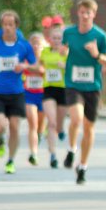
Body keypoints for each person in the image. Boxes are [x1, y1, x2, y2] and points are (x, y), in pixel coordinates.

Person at [63, 0, 106, 185]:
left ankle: (83, 166)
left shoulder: (100, 36)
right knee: (76, 118)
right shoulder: (68, 33)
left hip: (92, 86)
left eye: (88, 12)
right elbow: (62, 48)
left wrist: (96, 55)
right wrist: (63, 52)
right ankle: (71, 149)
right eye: (82, 12)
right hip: (73, 83)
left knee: (88, 127)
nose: (85, 16)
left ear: (94, 14)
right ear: (78, 13)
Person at [0, 10, 36, 175]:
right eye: (5, 24)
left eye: (11, 24)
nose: (7, 27)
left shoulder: (24, 46)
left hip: (16, 92)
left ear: (16, 26)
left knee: (15, 126)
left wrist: (25, 66)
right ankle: (0, 138)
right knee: (0, 125)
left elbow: (37, 66)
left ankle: (10, 160)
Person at [40, 19, 68, 169]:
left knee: (58, 124)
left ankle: (61, 129)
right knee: (51, 122)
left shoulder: (66, 53)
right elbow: (39, 65)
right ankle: (52, 154)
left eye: (59, 38)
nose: (57, 41)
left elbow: (73, 69)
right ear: (49, 39)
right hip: (49, 88)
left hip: (63, 89)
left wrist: (65, 65)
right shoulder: (44, 52)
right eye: (54, 38)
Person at [22, 33, 47, 166]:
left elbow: (43, 70)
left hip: (44, 95)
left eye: (38, 43)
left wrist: (29, 68)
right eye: (33, 43)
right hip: (29, 95)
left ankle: (40, 134)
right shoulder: (26, 59)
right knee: (33, 123)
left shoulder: (47, 59)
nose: (36, 46)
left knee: (40, 125)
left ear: (43, 46)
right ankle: (33, 153)